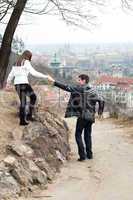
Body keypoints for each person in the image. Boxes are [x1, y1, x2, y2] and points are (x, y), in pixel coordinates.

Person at [49, 74, 104, 161]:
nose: (77, 82)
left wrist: (54, 82)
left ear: (84, 80)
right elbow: (101, 100)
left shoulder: (80, 89)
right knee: (87, 135)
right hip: (91, 116)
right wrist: (100, 112)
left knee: (78, 134)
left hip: (83, 116)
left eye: (79, 80)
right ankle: (89, 155)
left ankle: (82, 156)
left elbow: (67, 87)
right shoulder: (93, 90)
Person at [6, 50, 52, 126]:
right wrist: (46, 76)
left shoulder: (16, 63)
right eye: (30, 57)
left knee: (23, 102)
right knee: (33, 97)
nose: (30, 59)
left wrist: (8, 83)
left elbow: (11, 74)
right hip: (24, 84)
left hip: (17, 84)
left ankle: (22, 121)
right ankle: (29, 116)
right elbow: (34, 73)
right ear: (28, 56)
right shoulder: (26, 62)